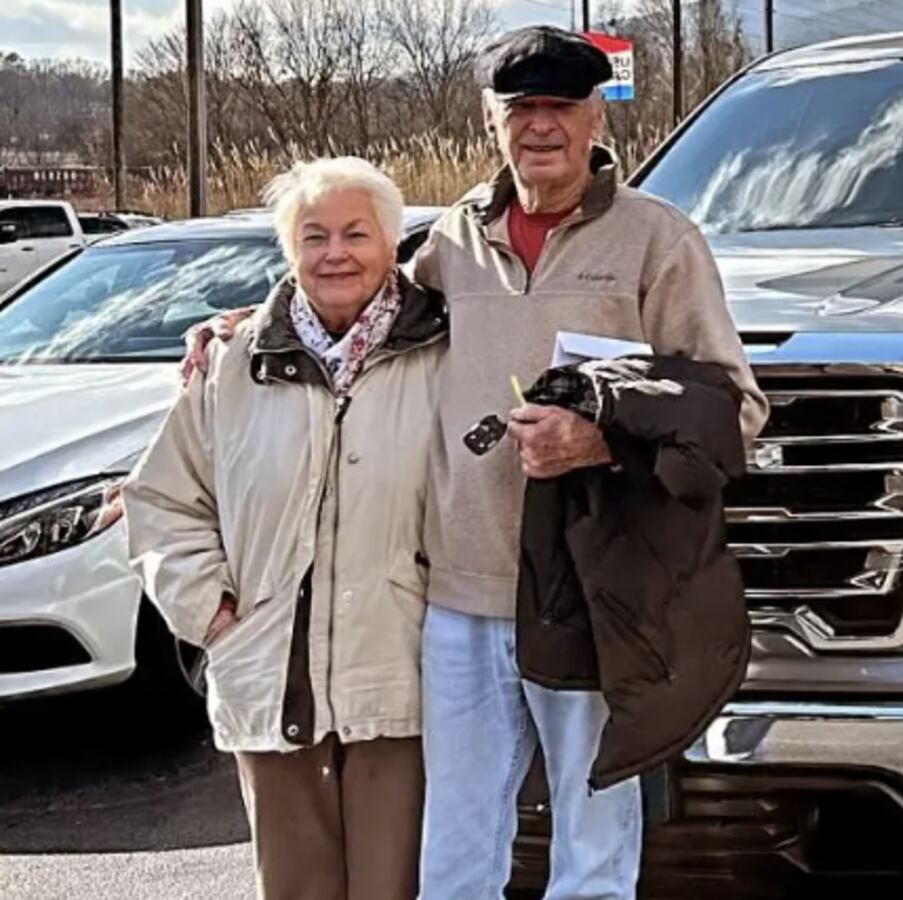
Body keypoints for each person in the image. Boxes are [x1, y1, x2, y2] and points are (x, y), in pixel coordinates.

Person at [181, 25, 767, 900]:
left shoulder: (659, 242)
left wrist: (600, 439)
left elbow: (735, 409)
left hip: (589, 594)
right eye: (520, 109)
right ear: (492, 121)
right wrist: (250, 321)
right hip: (457, 600)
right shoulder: (454, 237)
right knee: (455, 855)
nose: (540, 127)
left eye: (560, 107)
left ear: (594, 116)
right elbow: (361, 297)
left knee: (593, 853)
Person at [126, 157, 447, 900]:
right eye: (314, 235)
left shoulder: (443, 352)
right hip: (268, 679)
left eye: (356, 233)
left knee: (398, 888)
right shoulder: (232, 365)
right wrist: (206, 608)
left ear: (393, 243)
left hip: (402, 679)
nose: (335, 252)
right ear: (288, 250)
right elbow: (162, 500)